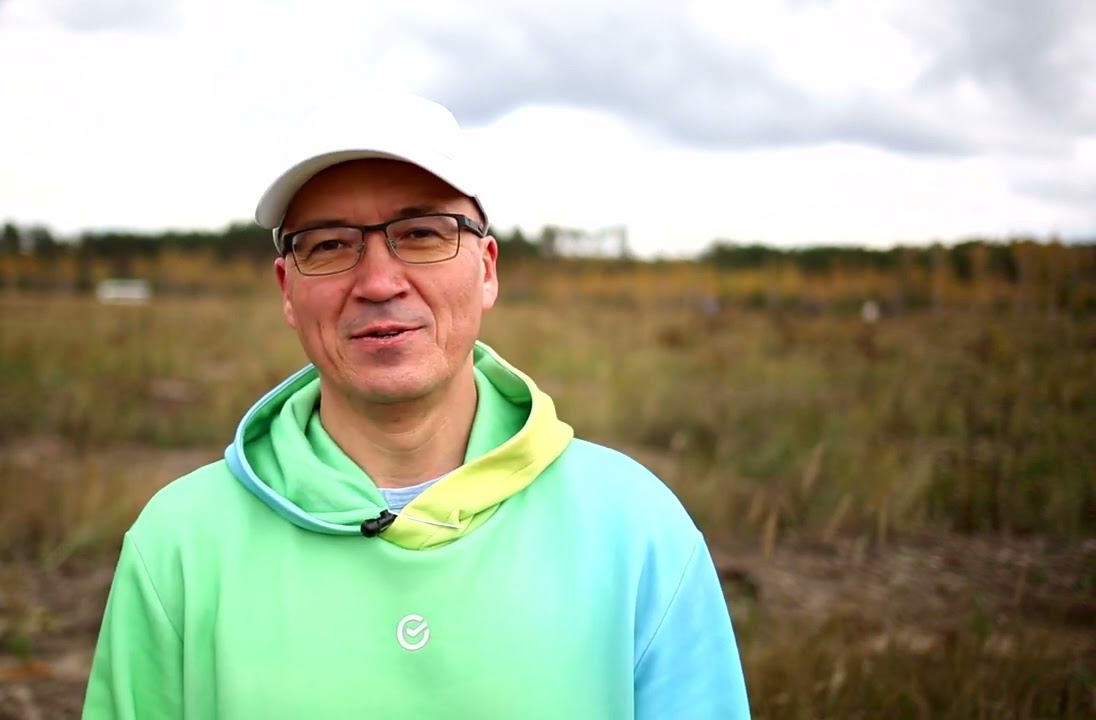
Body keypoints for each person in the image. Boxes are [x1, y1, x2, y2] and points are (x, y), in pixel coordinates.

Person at [82, 96, 750, 718]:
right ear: (287, 289)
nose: (378, 282)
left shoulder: (636, 530)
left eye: (423, 233)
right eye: (329, 244)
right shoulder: (179, 545)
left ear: (486, 268)